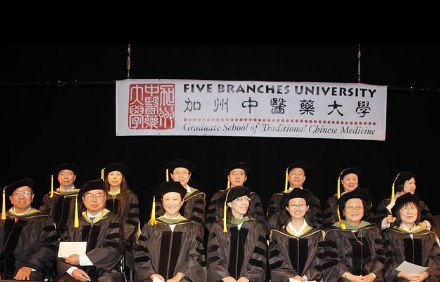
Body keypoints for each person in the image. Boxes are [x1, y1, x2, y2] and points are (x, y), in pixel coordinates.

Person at [136, 181, 206, 282]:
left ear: (182, 202)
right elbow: (141, 254)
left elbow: (195, 256)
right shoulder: (150, 227)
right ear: (162, 202)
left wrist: (178, 277)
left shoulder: (191, 228)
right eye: (167, 199)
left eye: (175, 199)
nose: (171, 203)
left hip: (183, 279)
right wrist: (151, 275)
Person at [57, 179, 124, 282]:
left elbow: (114, 247)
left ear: (105, 198)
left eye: (98, 195)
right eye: (89, 196)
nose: (94, 200)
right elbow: (62, 249)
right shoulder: (73, 222)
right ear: (83, 200)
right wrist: (72, 270)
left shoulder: (114, 220)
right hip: (76, 269)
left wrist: (81, 259)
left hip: (104, 269)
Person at [317, 188, 385, 282]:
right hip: (344, 279)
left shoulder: (372, 230)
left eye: (358, 207)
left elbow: (380, 256)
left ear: (364, 210)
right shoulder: (334, 232)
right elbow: (330, 259)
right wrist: (351, 277)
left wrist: (372, 275)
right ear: (343, 212)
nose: (355, 210)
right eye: (350, 207)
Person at [0, 178, 57, 280]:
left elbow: (49, 245)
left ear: (32, 197)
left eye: (26, 193)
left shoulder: (43, 219)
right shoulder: (2, 219)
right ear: (10, 199)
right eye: (17, 193)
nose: (22, 196)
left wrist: (30, 266)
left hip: (32, 269)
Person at [207, 186, 267, 282]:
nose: (244, 203)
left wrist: (247, 277)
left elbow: (259, 256)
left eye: (246, 199)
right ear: (230, 204)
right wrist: (225, 277)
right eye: (239, 199)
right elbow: (213, 255)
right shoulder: (218, 226)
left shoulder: (256, 226)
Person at [269, 188, 324, 282]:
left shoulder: (318, 235)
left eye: (301, 204)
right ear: (287, 208)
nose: (297, 208)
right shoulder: (277, 234)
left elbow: (321, 260)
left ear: (307, 208)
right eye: (293, 205)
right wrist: (292, 276)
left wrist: (306, 278)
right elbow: (276, 261)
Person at [382, 193, 440, 282]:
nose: (409, 212)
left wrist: (425, 274)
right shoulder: (390, 235)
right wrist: (401, 274)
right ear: (398, 212)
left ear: (417, 211)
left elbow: (435, 258)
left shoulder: (428, 235)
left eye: (413, 208)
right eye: (405, 208)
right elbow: (386, 259)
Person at [103, 162, 139, 277]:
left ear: (122, 178)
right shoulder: (100, 196)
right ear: (106, 177)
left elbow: (133, 220)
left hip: (124, 239)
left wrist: (119, 237)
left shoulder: (130, 197)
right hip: (102, 237)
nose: (114, 177)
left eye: (118, 174)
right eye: (111, 174)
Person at [154, 158, 206, 240]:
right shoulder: (162, 193)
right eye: (177, 172)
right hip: (163, 236)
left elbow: (197, 222)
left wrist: (189, 238)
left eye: (184, 172)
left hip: (188, 238)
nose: (181, 176)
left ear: (189, 175)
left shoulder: (197, 195)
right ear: (171, 175)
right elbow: (157, 217)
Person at [206, 162, 265, 231]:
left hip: (249, 237)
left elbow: (260, 221)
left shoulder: (253, 197)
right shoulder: (219, 196)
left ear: (245, 178)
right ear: (228, 177)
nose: (237, 177)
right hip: (223, 236)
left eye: (241, 174)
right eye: (234, 173)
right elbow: (210, 220)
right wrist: (220, 235)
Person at [266, 161, 322, 230]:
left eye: (300, 174)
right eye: (293, 173)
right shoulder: (277, 197)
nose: (296, 176)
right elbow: (272, 222)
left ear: (304, 178)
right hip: (282, 237)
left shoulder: (313, 199)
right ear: (288, 177)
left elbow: (318, 222)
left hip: (308, 237)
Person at [40, 162, 80, 237]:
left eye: (69, 174)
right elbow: (43, 216)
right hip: (50, 236)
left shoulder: (80, 197)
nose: (65, 177)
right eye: (62, 174)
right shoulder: (49, 197)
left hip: (73, 235)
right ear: (58, 177)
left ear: (74, 177)